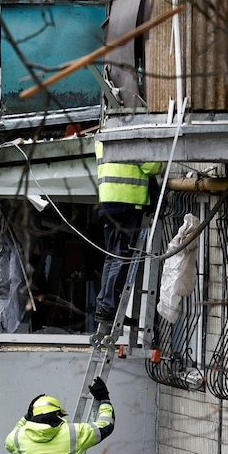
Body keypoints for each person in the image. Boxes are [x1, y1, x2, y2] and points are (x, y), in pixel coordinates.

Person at [92, 139, 164, 341]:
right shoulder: (130, 136)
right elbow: (152, 166)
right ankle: (109, 306)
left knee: (111, 256)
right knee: (121, 257)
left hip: (109, 201)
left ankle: (105, 304)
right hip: (127, 201)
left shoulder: (104, 136)